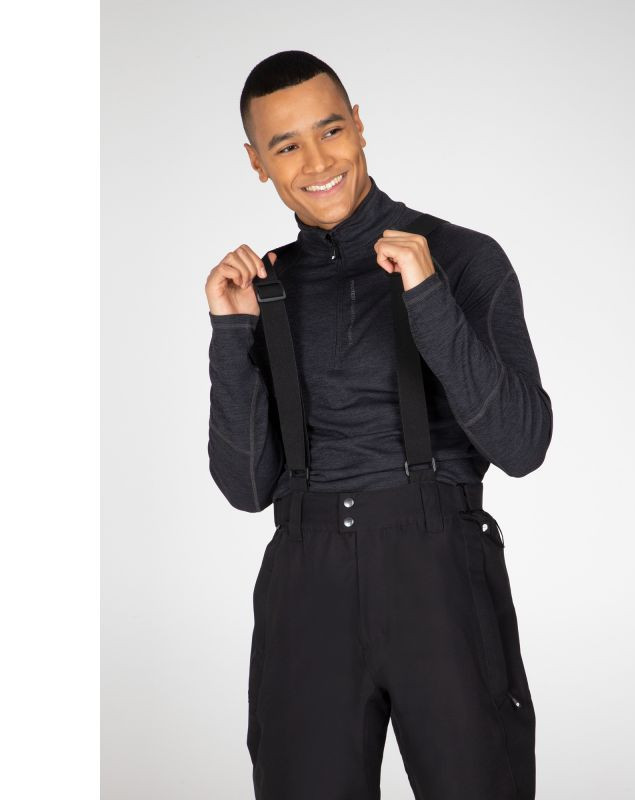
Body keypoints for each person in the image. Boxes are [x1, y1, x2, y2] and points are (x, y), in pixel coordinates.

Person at [205, 49, 553, 800]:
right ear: (257, 162)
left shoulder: (461, 257)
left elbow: (524, 445)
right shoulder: (266, 287)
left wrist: (428, 298)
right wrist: (232, 337)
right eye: (286, 146)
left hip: (438, 573)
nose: (317, 162)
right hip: (307, 579)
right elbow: (246, 489)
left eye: (331, 131)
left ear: (359, 126)